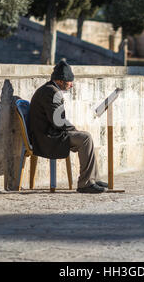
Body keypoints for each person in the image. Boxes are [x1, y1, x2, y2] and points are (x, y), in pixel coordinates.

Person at [28, 59, 107, 193]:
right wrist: (74, 130)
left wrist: (73, 130)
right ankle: (85, 183)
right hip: (47, 138)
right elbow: (58, 122)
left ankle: (93, 178)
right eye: (70, 82)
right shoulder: (52, 92)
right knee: (85, 137)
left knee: (84, 136)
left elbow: (58, 120)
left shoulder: (49, 89)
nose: (71, 85)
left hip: (49, 133)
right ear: (60, 81)